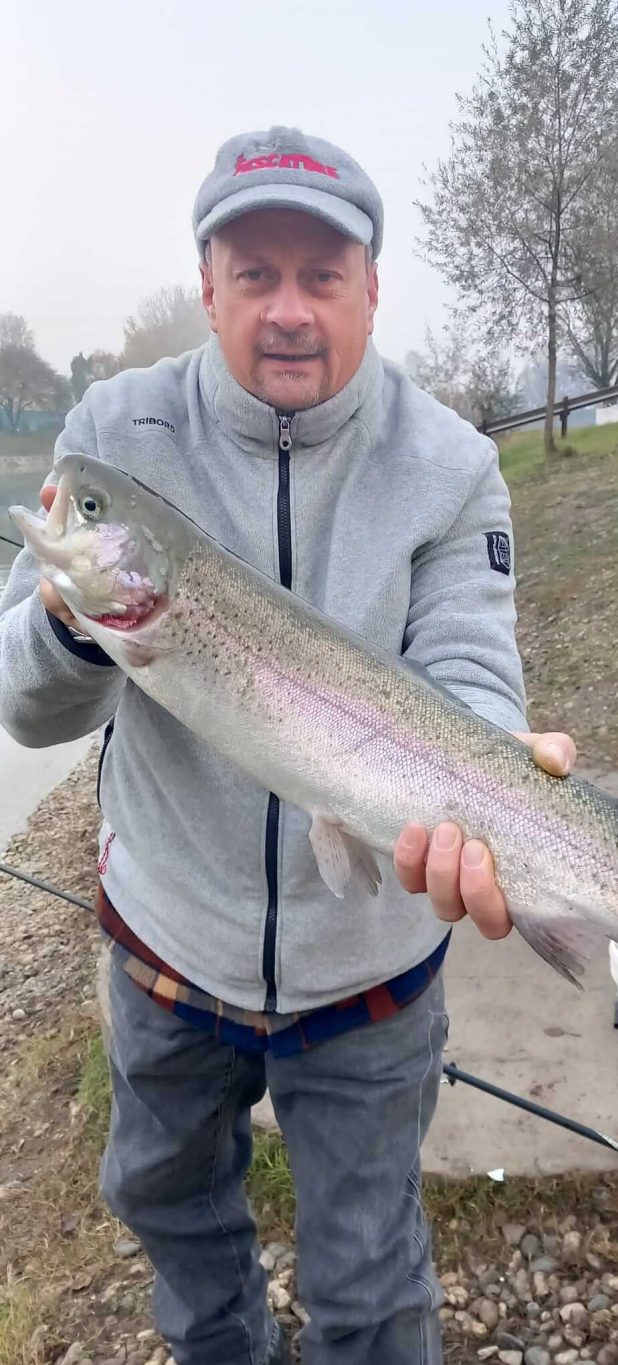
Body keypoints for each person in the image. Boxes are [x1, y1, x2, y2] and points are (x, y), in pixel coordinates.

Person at [0, 127, 576, 1365]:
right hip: (166, 942)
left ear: (374, 286)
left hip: (368, 968)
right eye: (254, 273)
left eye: (323, 275)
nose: (290, 311)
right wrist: (72, 619)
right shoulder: (113, 437)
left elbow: (468, 671)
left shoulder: (452, 466)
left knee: (370, 1287)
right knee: (164, 1209)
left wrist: (492, 776)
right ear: (205, 286)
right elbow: (28, 711)